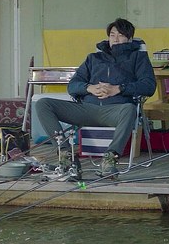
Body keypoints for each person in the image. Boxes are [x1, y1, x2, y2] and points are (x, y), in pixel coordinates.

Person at [35, 18, 156, 177]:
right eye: (112, 35)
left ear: (130, 38)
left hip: (115, 110)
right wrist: (89, 88)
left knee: (130, 109)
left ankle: (110, 159)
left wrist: (119, 89)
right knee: (43, 104)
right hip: (87, 109)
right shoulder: (94, 58)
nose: (115, 39)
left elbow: (148, 85)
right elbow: (72, 86)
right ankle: (66, 156)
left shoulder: (137, 58)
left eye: (120, 35)